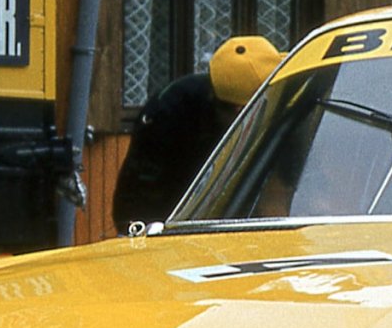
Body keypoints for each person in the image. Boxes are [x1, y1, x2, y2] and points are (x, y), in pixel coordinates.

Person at [111, 35, 282, 232]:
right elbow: (137, 199)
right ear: (243, 110)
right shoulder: (169, 113)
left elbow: (282, 190)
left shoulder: (286, 101)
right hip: (170, 216)